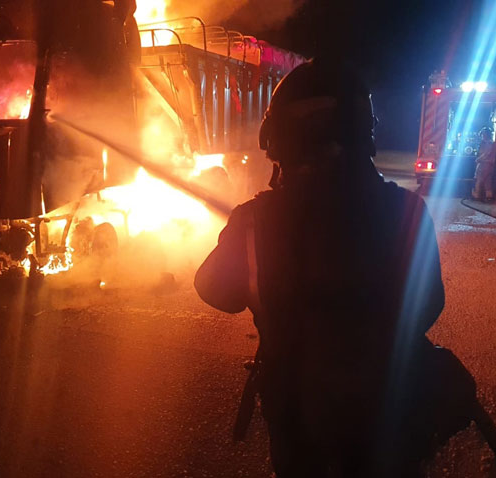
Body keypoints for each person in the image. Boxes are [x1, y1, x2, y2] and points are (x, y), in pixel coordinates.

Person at [195, 58, 475, 476]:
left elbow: (214, 290)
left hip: (297, 423)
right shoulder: (406, 211)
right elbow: (429, 303)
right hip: (390, 414)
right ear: (365, 133)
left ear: (278, 139)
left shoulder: (254, 221)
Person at [471, 127, 496, 201]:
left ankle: (477, 196)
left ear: (485, 135)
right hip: (490, 165)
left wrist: (478, 159)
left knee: (479, 180)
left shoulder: (488, 143)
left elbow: (486, 153)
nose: (482, 136)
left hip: (484, 164)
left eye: (482, 134)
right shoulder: (491, 143)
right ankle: (489, 196)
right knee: (487, 181)